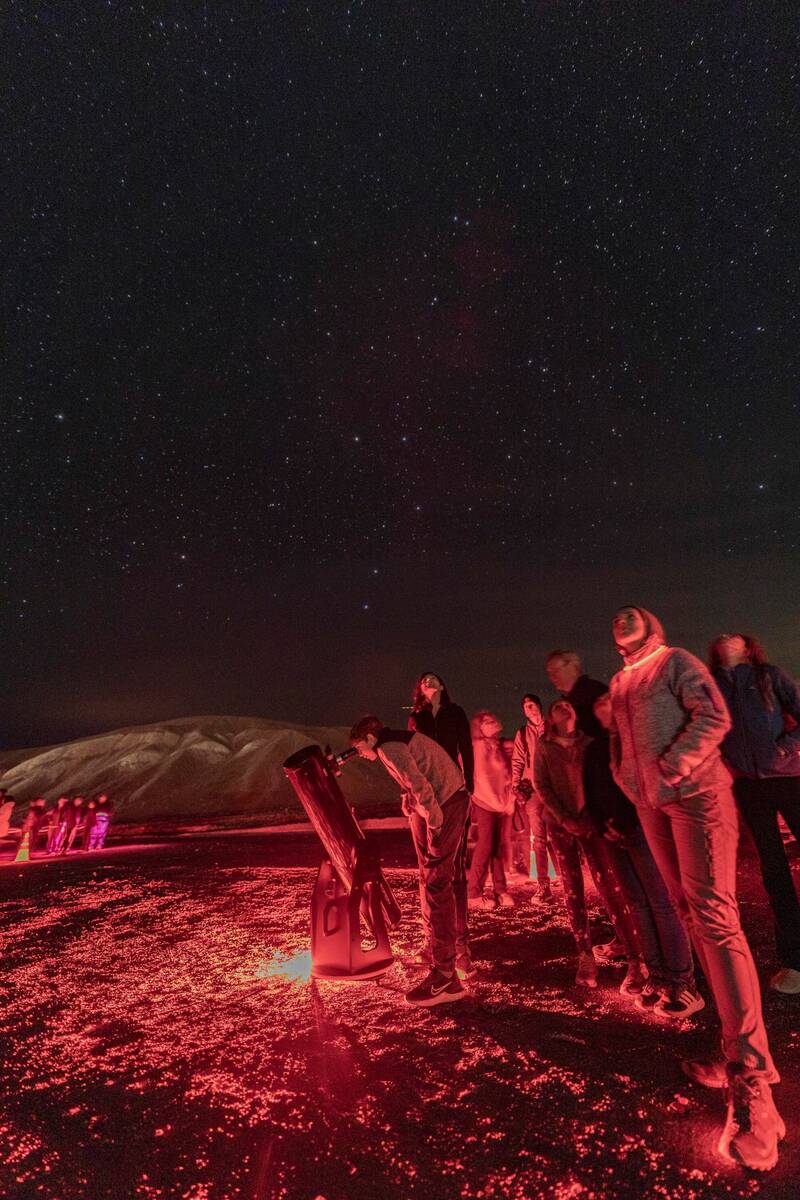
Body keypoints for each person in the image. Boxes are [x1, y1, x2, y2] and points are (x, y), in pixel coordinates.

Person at [608, 605, 783, 1172]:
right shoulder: (620, 680)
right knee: (689, 915)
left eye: (634, 612)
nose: (622, 615)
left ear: (653, 627)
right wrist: (629, 781)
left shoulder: (675, 662)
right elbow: (619, 744)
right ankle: (734, 1052)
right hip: (653, 803)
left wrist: (674, 766)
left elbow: (713, 718)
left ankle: (754, 1084)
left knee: (714, 918)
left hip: (698, 795)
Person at [584, 694, 698, 1011]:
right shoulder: (596, 749)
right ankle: (657, 975)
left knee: (661, 902)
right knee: (638, 904)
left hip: (641, 829)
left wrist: (625, 821)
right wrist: (602, 825)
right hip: (612, 836)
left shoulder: (640, 744)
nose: (603, 710)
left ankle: (683, 982)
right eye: (599, 708)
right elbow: (591, 791)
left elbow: (643, 786)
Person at [350, 715, 471, 1006]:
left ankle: (445, 976)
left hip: (445, 806)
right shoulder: (398, 740)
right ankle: (446, 965)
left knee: (437, 884)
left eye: (360, 748)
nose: (362, 755)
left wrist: (434, 819)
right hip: (451, 801)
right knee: (436, 881)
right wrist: (411, 799)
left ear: (369, 738)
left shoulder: (387, 748)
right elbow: (415, 776)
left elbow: (418, 782)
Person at [709, 633, 800, 995]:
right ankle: (795, 961)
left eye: (735, 635)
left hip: (788, 777)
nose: (725, 635)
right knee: (773, 869)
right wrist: (726, 763)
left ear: (747, 647)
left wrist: (785, 749)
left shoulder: (769, 676)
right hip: (748, 786)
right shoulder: (713, 685)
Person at [533, 699, 644, 989]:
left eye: (569, 705)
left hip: (591, 824)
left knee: (610, 887)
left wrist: (592, 815)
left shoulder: (589, 744)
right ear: (551, 717)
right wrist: (564, 818)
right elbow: (541, 784)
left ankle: (634, 960)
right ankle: (584, 956)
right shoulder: (544, 747)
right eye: (558, 706)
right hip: (561, 826)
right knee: (573, 891)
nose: (565, 707)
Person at [467, 711, 515, 911]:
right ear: (479, 727)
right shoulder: (478, 746)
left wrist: (509, 799)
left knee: (497, 847)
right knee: (485, 846)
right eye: (486, 722)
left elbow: (505, 774)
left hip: (500, 803)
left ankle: (500, 890)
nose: (491, 723)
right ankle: (474, 893)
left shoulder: (498, 746)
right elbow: (482, 776)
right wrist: (496, 801)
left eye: (492, 720)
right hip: (486, 801)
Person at [510, 693, 552, 897]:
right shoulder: (522, 734)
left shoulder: (551, 727)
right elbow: (517, 760)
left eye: (532, 705)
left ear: (539, 706)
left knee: (562, 835)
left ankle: (571, 878)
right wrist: (516, 785)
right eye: (526, 707)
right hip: (534, 791)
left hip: (554, 789)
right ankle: (543, 884)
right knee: (539, 839)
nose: (530, 709)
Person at [408, 672, 474, 792]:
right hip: (426, 779)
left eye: (433, 678)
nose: (428, 680)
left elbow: (466, 747)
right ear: (421, 691)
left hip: (452, 776)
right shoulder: (416, 718)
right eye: (424, 680)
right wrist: (407, 790)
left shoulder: (456, 712)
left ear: (441, 687)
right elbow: (409, 753)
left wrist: (469, 781)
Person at [545, 650, 607, 738]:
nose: (552, 677)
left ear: (573, 668)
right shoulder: (572, 700)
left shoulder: (592, 693)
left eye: (556, 670)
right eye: (549, 672)